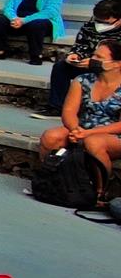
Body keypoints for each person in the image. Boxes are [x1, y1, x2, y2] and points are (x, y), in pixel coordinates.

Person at [38, 33, 121, 177]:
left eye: (99, 58)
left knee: (93, 143)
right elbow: (69, 111)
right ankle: (49, 180)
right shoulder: (82, 80)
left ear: (116, 63)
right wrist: (76, 130)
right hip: (82, 128)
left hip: (112, 133)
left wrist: (88, 133)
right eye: (94, 55)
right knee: (51, 137)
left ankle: (99, 192)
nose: (92, 59)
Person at [39, 0, 121, 117]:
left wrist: (97, 64)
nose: (100, 25)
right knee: (61, 67)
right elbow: (81, 44)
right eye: (98, 20)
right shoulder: (89, 26)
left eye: (105, 22)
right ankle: (56, 106)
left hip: (114, 69)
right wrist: (75, 55)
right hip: (89, 63)